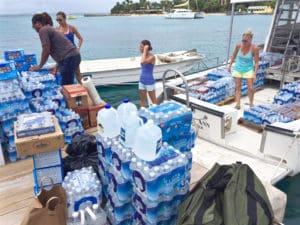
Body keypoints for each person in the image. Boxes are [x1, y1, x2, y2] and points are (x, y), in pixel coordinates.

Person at [30, 12, 81, 85]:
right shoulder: (49, 28)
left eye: (33, 25)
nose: (33, 28)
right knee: (68, 85)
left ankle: (77, 95)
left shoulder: (43, 30)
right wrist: (56, 67)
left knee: (67, 87)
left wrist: (40, 66)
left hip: (69, 59)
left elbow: (46, 50)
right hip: (72, 57)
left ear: (38, 23)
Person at [228, 29, 259, 109]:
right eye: (243, 40)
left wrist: (254, 74)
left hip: (248, 69)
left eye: (246, 41)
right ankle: (238, 104)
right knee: (238, 87)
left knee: (251, 88)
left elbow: (256, 62)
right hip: (238, 68)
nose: (244, 43)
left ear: (250, 40)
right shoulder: (238, 46)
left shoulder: (255, 48)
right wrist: (230, 65)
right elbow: (234, 56)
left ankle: (251, 103)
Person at [56, 11, 83, 84]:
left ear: (65, 18)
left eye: (60, 20)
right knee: (64, 72)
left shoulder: (71, 28)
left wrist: (78, 48)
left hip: (73, 54)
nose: (59, 22)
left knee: (77, 71)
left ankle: (81, 86)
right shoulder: (57, 29)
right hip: (63, 55)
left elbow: (80, 38)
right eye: (57, 20)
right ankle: (66, 88)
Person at [139, 40, 157, 107]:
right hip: (142, 81)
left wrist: (145, 50)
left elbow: (143, 61)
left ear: (146, 47)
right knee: (142, 101)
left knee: (154, 102)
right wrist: (144, 51)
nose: (140, 48)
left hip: (149, 82)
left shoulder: (152, 57)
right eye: (140, 47)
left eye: (141, 47)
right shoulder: (143, 56)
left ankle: (157, 114)